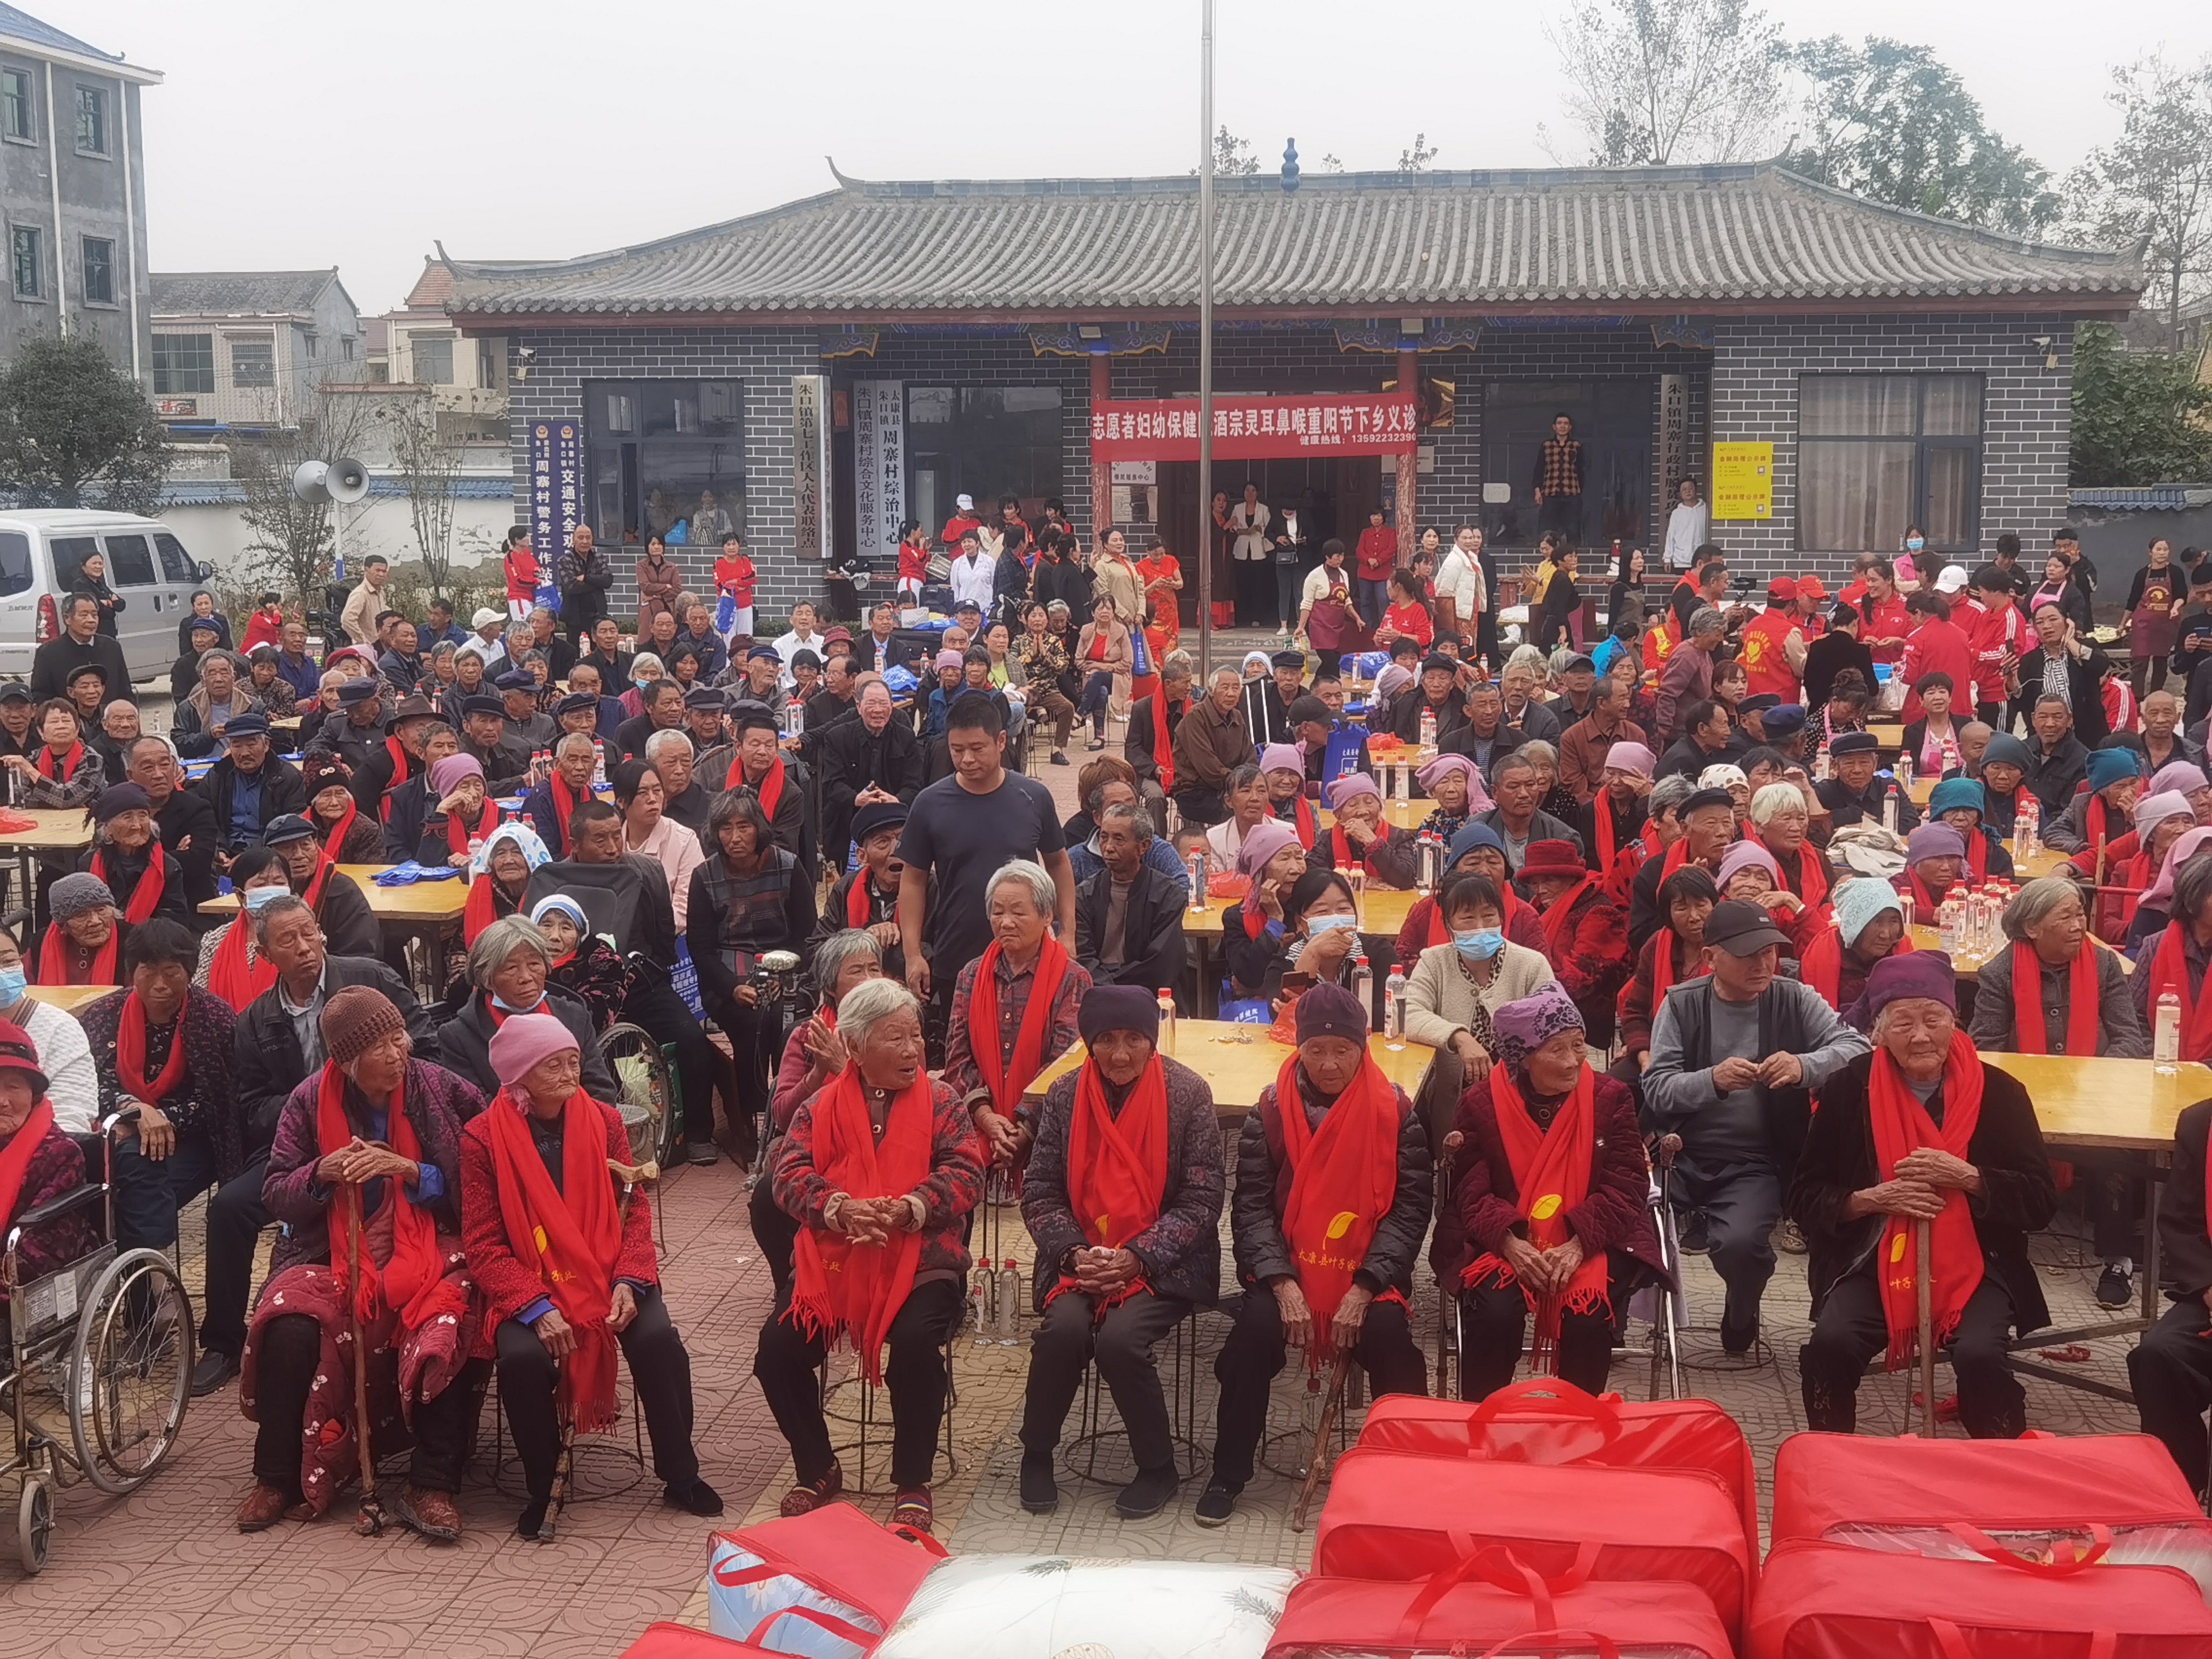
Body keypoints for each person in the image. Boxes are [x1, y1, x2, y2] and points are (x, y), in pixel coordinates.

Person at [238, 986, 486, 1539]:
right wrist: (320, 1173)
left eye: (400, 1038)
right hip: (331, 1250)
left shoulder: (443, 1089)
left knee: (445, 1320)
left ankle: (433, 1482)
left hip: (432, 1242)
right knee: (288, 1322)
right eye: (381, 1047)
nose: (398, 1054)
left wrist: (412, 1171)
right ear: (347, 1062)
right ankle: (277, 1476)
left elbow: (484, 1176)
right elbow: (276, 1191)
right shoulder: (307, 1101)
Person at [460, 1010, 718, 1537]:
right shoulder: (482, 1139)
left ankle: (681, 1472)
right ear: (520, 1073)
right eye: (553, 1065)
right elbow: (483, 1243)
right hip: (530, 1279)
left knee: (657, 1339)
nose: (569, 1073)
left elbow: (634, 1208)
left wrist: (629, 1280)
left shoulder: (604, 1121)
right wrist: (534, 1306)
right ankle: (542, 1486)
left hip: (607, 1269)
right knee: (523, 1359)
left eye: (573, 1061)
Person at [1790, 952, 2057, 1437]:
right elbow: (1804, 1196)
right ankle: (1830, 1457)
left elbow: (2040, 1201)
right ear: (1877, 1031)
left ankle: (2000, 1461)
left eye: (1933, 1020)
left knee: (1980, 1355)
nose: (1920, 1036)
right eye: (1903, 1023)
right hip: (1872, 1257)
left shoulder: (2000, 1093)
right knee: (1831, 1343)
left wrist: (1971, 1178)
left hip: (1978, 1263)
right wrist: (1872, 1199)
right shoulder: (1848, 1089)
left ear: (1956, 1021)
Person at [753, 978, 982, 1533]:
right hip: (836, 1258)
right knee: (777, 1352)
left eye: (915, 1037)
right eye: (894, 1039)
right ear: (854, 1048)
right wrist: (840, 1209)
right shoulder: (820, 1106)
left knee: (915, 1346)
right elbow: (786, 1176)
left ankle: (912, 1481)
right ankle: (817, 1466)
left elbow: (967, 1172)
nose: (912, 1050)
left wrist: (909, 1207)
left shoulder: (943, 1102)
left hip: (922, 1260)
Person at [1018, 984, 1222, 1520]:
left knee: (1120, 1340)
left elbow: (1202, 1200)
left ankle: (1157, 1466)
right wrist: (1072, 1254)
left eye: (1134, 1039)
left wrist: (1138, 1257)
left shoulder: (1188, 1094)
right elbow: (1040, 1189)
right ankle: (1036, 1453)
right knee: (1063, 1330)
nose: (1121, 1054)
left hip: (1166, 1262)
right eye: (1107, 1040)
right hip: (1080, 1257)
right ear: (1089, 1044)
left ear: (1153, 1041)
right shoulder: (1064, 1095)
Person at [1643, 899, 1871, 1352]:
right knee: (1630, 1223)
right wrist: (1712, 1080)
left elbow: (1857, 1049)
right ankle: (1607, 1322)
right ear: (1710, 957)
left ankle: (1741, 1308)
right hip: (1679, 1151)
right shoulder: (1682, 1004)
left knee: (1741, 1243)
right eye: (1748, 954)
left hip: (1756, 1160)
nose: (1763, 965)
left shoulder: (1793, 997)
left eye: (1769, 952)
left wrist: (1804, 1066)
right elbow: (1657, 1088)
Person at [1453, 982, 1668, 1399]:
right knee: (1496, 1313)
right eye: (1557, 1049)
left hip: (1595, 1237)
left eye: (1579, 1045)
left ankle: (1578, 1421)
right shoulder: (1480, 1103)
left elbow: (1627, 1184)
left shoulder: (1611, 1097)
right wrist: (1510, 1244)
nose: (1573, 1061)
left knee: (1587, 1315)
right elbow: (1469, 1190)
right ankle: (1481, 1417)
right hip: (1506, 1238)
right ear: (1523, 1058)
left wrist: (1577, 1245)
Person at [896, 694, 1073, 1049]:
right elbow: (913, 879)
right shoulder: (930, 803)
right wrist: (913, 954)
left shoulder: (1033, 797)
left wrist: (1068, 932)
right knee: (965, 1053)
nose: (967, 759)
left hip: (1028, 952)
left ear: (1002, 741)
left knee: (1033, 1049)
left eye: (977, 748)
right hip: (957, 951)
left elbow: (1058, 863)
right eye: (957, 750)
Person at [686, 787, 818, 1161]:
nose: (735, 837)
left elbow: (807, 936)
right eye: (725, 828)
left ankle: (790, 1117)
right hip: (727, 977)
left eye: (743, 826)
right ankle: (751, 1122)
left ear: (758, 827)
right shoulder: (704, 876)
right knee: (752, 1024)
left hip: (788, 969)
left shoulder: (788, 866)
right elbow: (701, 949)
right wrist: (733, 988)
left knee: (787, 1022)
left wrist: (784, 973)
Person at [1402, 871, 1557, 1080]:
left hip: (1519, 1086)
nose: (1480, 927)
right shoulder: (1434, 962)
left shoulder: (1532, 965)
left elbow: (1555, 1023)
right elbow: (1408, 1014)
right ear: (1448, 924)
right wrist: (1459, 1037)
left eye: (1488, 916)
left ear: (1501, 918)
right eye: (1468, 918)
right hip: (1451, 1090)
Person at [1074, 803, 1185, 995]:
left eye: (1119, 839)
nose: (1108, 848)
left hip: (1148, 995)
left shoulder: (1167, 894)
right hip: (1096, 995)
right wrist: (1108, 990)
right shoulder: (1085, 894)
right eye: (1104, 837)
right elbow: (1082, 958)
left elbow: (1161, 965)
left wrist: (1115, 989)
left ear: (1144, 846)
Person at [263, 813, 381, 960]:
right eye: (287, 848)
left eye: (306, 845)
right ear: (271, 854)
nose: (299, 855)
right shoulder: (263, 890)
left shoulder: (342, 892)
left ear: (316, 844)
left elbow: (361, 954)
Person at [612, 759, 702, 928]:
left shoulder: (684, 840)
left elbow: (685, 908)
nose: (653, 799)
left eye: (657, 790)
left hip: (667, 936)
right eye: (642, 793)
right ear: (621, 801)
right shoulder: (610, 843)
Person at [1170, 665, 1259, 827]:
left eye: (1236, 688)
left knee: (1263, 805)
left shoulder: (1237, 716)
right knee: (1240, 811)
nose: (1231, 694)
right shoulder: (1195, 717)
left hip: (1232, 788)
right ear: (1211, 691)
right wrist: (1240, 784)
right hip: (1195, 792)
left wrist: (1249, 781)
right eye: (1225, 688)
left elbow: (1249, 756)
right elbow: (1209, 768)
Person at [1312, 770, 1419, 888]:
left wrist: (1373, 842)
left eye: (1369, 802)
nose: (1363, 811)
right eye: (1353, 805)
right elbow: (1312, 876)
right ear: (1339, 816)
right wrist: (1360, 881)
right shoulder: (1327, 840)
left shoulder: (1400, 837)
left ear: (1380, 808)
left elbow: (1406, 880)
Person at [29, 592, 129, 706]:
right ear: (67, 618)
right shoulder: (49, 652)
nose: (91, 620)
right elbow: (40, 696)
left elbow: (125, 691)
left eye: (94, 615)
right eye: (84, 615)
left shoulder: (112, 647)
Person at [2042, 744, 2141, 859]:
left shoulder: (2147, 805)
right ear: (2103, 790)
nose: (2130, 791)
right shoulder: (2082, 803)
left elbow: (2149, 844)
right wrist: (2081, 849)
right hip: (2089, 865)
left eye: (2133, 782)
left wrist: (2135, 820)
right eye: (2120, 786)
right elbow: (2053, 833)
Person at [556, 524, 614, 649]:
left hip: (598, 616)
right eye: (581, 537)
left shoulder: (599, 558)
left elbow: (608, 581)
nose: (585, 541)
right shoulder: (565, 560)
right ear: (573, 540)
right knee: (575, 654)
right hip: (575, 618)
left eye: (588, 537)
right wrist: (597, 583)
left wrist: (586, 578)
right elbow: (572, 586)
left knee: (599, 653)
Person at [1661, 476, 1708, 572]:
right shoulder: (1677, 513)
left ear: (1696, 490)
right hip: (1680, 561)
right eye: (1684, 490)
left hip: (1701, 560)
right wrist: (1667, 558)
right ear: (1680, 494)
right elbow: (1670, 536)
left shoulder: (1705, 510)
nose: (1688, 492)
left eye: (1690, 488)